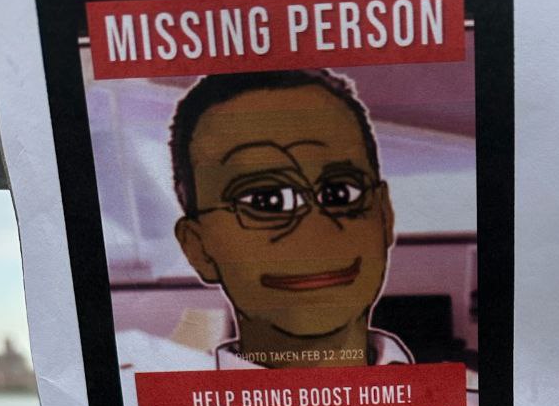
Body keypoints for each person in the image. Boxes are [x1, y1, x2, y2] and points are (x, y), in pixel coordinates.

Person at [169, 69, 413, 372]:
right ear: (198, 248)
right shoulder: (162, 405)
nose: (316, 232)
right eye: (265, 201)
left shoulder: (460, 402)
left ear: (384, 216)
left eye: (340, 193)